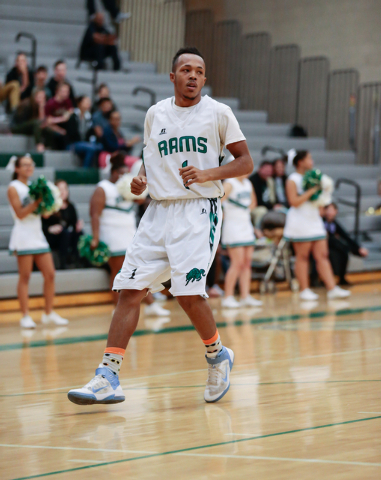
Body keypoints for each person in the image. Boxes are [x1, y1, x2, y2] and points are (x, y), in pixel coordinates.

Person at [68, 46, 253, 406]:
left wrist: (207, 173)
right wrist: (140, 180)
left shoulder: (218, 113)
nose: (194, 76)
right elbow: (149, 160)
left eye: (199, 71)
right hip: (157, 211)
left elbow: (245, 161)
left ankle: (217, 356)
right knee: (129, 290)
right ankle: (108, 375)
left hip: (199, 210)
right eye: (186, 70)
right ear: (173, 77)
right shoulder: (156, 114)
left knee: (186, 294)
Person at [89, 152, 170, 316]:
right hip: (112, 234)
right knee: (118, 271)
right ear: (113, 172)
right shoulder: (102, 188)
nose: (124, 175)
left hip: (130, 233)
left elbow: (140, 200)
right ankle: (117, 308)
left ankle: (150, 305)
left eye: (126, 173)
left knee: (140, 269)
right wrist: (96, 237)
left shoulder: (125, 186)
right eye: (121, 172)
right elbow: (94, 214)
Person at [6, 155, 69, 328]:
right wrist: (38, 201)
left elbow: (42, 214)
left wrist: (50, 205)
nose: (28, 167)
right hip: (23, 235)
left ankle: (48, 313)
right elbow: (20, 213)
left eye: (30, 165)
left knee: (50, 274)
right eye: (24, 165)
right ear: (17, 168)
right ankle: (25, 316)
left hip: (37, 235)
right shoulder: (13, 187)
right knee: (25, 277)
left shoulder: (33, 186)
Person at [283, 150, 351, 301]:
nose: (312, 161)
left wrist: (322, 197)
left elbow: (319, 199)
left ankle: (332, 288)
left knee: (323, 255)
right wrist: (311, 191)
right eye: (309, 158)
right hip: (300, 221)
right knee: (303, 256)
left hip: (314, 220)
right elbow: (293, 202)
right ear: (300, 162)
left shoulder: (315, 177)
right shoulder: (292, 179)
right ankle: (304, 289)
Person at [221, 173, 262, 309]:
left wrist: (244, 209)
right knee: (237, 263)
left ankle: (245, 296)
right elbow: (217, 201)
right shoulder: (229, 183)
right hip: (233, 227)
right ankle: (228, 296)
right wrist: (223, 213)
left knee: (247, 262)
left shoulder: (248, 183)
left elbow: (254, 202)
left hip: (246, 225)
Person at [323, 203, 368, 285]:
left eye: (331, 210)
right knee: (339, 247)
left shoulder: (334, 223)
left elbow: (345, 236)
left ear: (336, 211)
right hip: (323, 247)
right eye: (327, 210)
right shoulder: (321, 222)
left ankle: (342, 278)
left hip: (333, 246)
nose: (329, 212)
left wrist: (358, 247)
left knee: (344, 250)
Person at [42, 180, 83, 270]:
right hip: (52, 236)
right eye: (60, 189)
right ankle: (63, 263)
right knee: (64, 233)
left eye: (65, 189)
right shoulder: (50, 205)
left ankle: (78, 260)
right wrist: (50, 228)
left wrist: (78, 225)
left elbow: (74, 223)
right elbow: (41, 224)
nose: (63, 191)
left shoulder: (70, 206)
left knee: (79, 233)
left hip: (66, 235)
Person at [67, 95, 102, 167]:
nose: (88, 103)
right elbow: (71, 133)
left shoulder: (89, 117)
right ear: (79, 103)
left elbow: (90, 133)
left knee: (99, 146)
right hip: (73, 143)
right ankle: (85, 170)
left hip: (85, 143)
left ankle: (90, 169)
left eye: (89, 102)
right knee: (91, 148)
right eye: (86, 101)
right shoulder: (73, 116)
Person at [45, 82, 74, 149]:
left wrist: (66, 116)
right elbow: (48, 122)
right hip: (54, 127)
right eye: (64, 91)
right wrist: (62, 120)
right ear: (57, 91)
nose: (66, 94)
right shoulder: (50, 103)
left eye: (67, 91)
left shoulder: (68, 101)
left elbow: (70, 111)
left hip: (64, 126)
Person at [249, 160, 276, 227]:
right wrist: (271, 207)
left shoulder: (269, 181)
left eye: (270, 171)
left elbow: (273, 197)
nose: (268, 173)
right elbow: (257, 200)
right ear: (260, 169)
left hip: (267, 205)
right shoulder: (253, 181)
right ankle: (258, 230)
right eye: (266, 170)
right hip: (256, 206)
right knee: (262, 211)